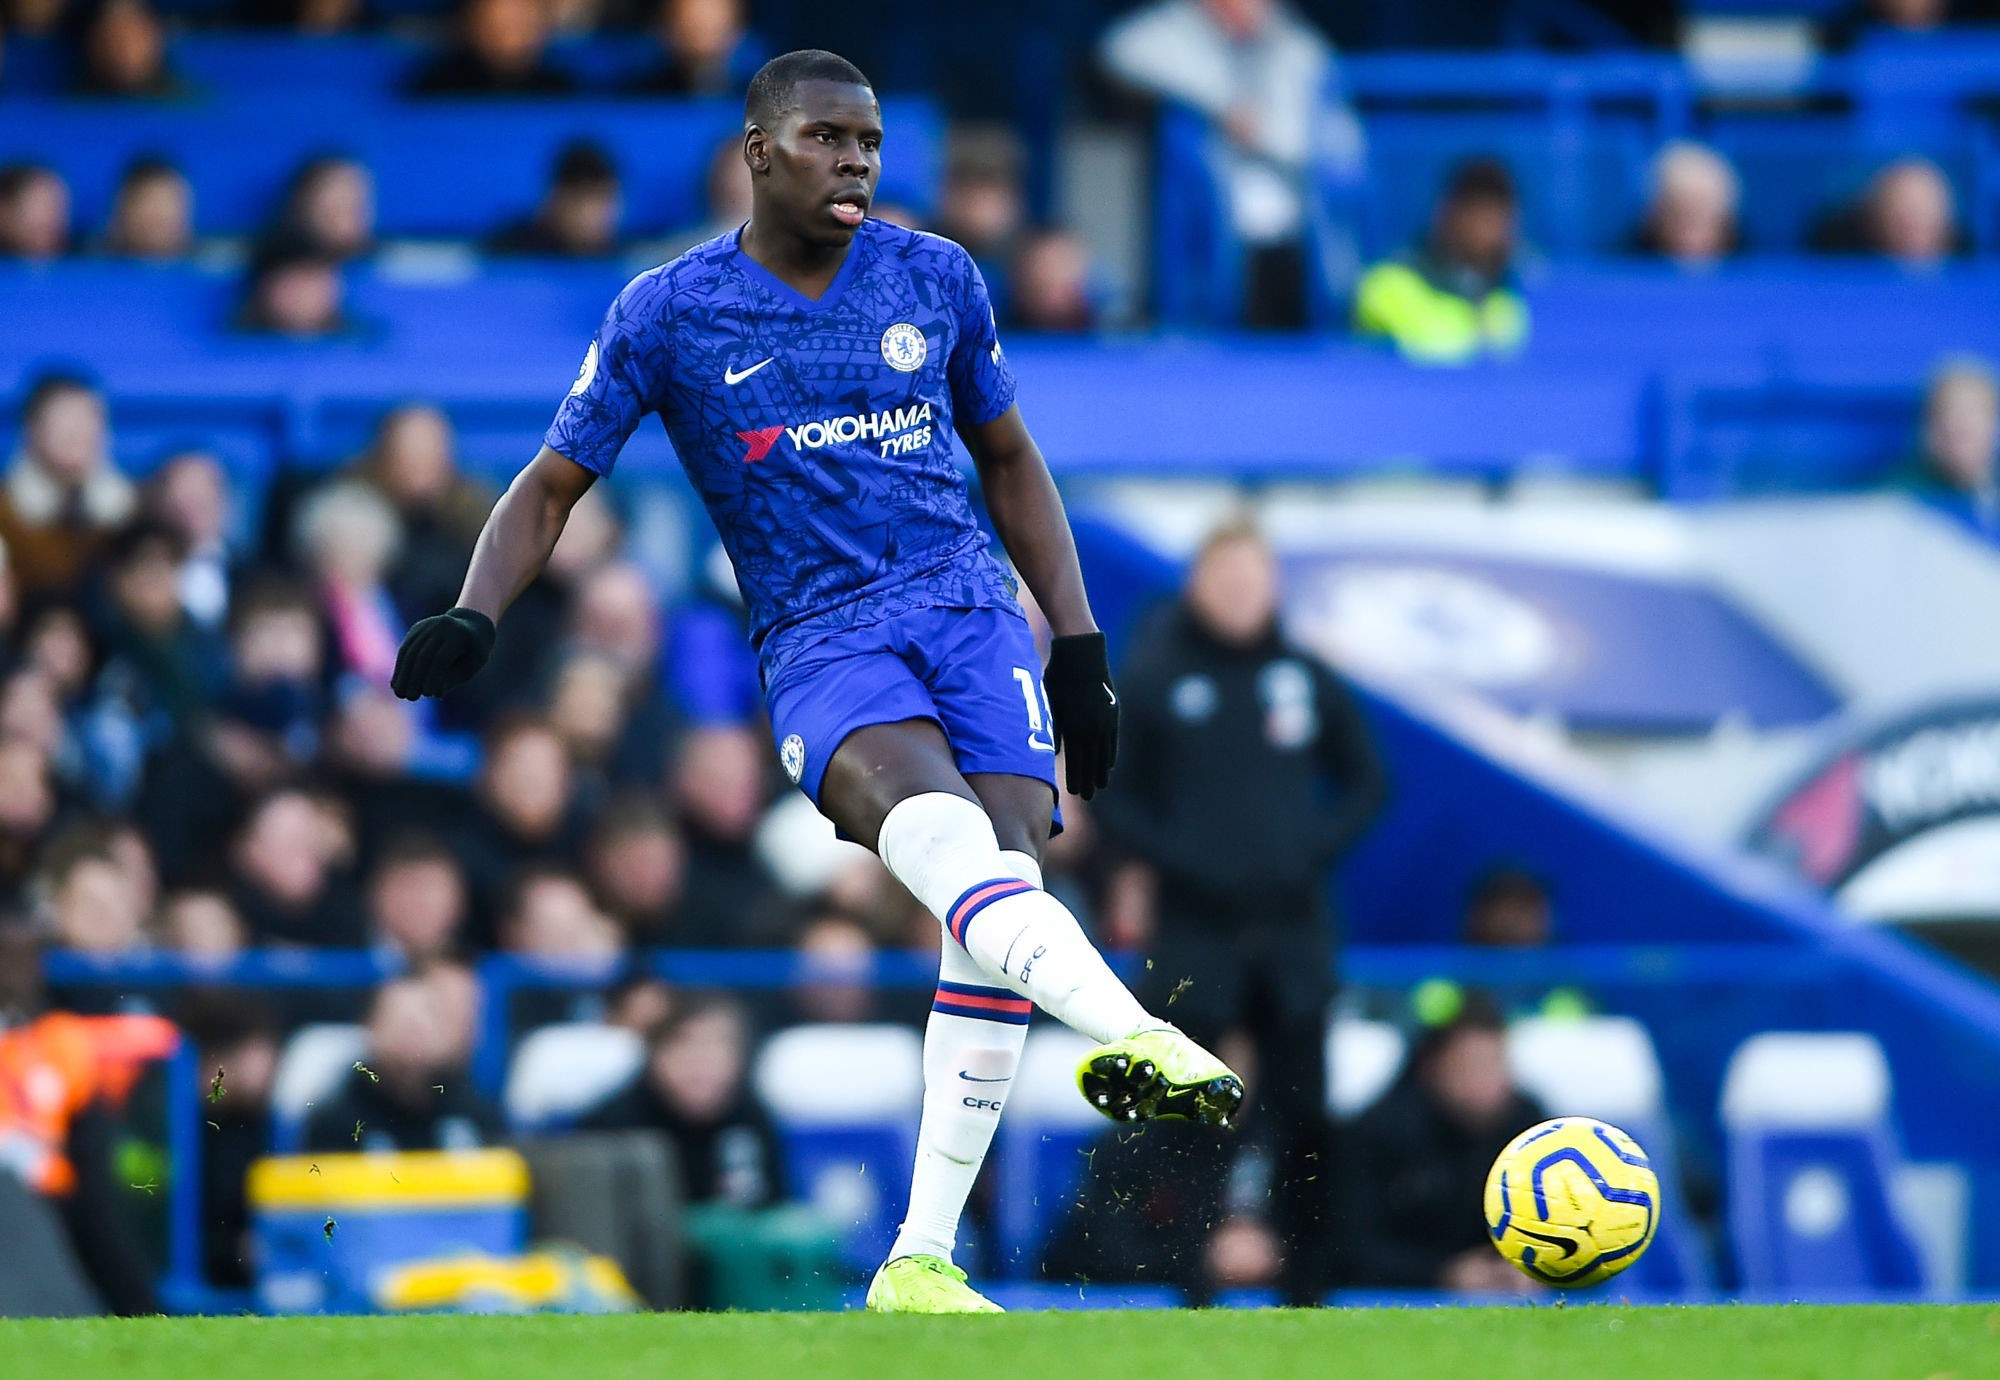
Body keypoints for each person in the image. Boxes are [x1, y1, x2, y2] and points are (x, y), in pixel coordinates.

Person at [391, 48, 1242, 1315]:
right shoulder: (668, 311)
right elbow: (551, 484)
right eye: (826, 138)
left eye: (869, 143)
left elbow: (1010, 461)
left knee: (997, 893)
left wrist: (1077, 646)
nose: (854, 162)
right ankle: (1131, 1030)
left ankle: (920, 1260)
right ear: (757, 151)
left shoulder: (935, 276)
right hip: (823, 640)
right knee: (952, 854)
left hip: (970, 616)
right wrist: (476, 608)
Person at [1094, 517, 1385, 1302]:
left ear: (1274, 586)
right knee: (1188, 1113)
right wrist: (1188, 861)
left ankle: (1311, 1288)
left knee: (1304, 1114)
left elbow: (1368, 781)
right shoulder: (1155, 676)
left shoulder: (1302, 676)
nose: (1240, 594)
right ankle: (1188, 1279)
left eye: (1253, 579)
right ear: (1196, 584)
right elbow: (1111, 791)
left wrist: (1307, 853)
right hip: (1196, 936)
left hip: (1293, 935)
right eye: (1225, 579)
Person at [1101, 0, 1358, 331]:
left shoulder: (1299, 49)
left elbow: (1341, 143)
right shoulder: (1181, 30)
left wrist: (1263, 133)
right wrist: (1222, 105)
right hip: (1213, 217)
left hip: (1300, 214)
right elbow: (1120, 50)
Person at [1341, 996, 1548, 1293]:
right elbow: (1351, 1247)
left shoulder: (1530, 1130)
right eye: (1471, 1066)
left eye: (1496, 1064)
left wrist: (1535, 1267)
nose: (1487, 1083)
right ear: (1432, 1065)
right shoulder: (1378, 1132)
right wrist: (1443, 1273)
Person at [1356, 157, 1529, 363]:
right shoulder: (1387, 281)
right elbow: (1428, 345)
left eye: (1502, 221)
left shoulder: (1502, 296)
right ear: (1448, 214)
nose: (1494, 234)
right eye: (1485, 218)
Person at [302, 976, 502, 1153]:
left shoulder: (471, 1113)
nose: (413, 1035)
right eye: (400, 1021)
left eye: (425, 1020)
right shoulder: (338, 1120)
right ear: (371, 1026)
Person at [0, 371, 136, 600]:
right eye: (65, 419)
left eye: (88, 419)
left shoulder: (131, 512)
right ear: (32, 428)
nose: (79, 432)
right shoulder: (6, 513)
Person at [1894, 357, 1999, 542]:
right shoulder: (1902, 498)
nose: (1955, 423)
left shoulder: (1989, 495)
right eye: (1943, 413)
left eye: (1972, 412)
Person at [407, 0, 576, 97]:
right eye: (499, 23)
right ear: (471, 22)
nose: (510, 34)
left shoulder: (562, 91)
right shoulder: (436, 90)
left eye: (521, 22)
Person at [487, 141, 624, 260]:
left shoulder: (623, 258)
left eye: (606, 201)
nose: (597, 215)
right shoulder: (510, 251)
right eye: (587, 201)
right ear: (557, 198)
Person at [1632, 141, 1740, 268]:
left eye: (1700, 219)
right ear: (1657, 221)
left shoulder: (1748, 268)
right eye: (1680, 218)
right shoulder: (1628, 267)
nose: (1689, 238)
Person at [621, 0, 758, 97]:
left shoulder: (758, 94)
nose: (701, 41)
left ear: (740, 29)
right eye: (692, 27)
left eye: (710, 28)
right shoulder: (635, 95)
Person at [97, 157, 192, 261]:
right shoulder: (96, 261)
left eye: (170, 201)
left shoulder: (203, 262)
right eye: (150, 201)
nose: (161, 215)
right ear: (125, 208)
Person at [0, 164, 71, 260]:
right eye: (43, 204)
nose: (52, 218)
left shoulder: (82, 256)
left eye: (58, 205)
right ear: (4, 211)